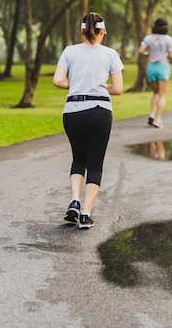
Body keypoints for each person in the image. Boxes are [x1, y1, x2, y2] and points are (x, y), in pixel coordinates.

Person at [52, 12, 124, 229]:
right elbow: (118, 89)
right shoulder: (110, 54)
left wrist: (77, 84)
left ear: (82, 30)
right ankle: (85, 213)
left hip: (72, 111)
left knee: (78, 158)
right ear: (102, 31)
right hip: (100, 111)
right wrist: (100, 87)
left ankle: (74, 200)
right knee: (95, 163)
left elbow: (58, 80)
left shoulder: (69, 51)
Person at [138, 17, 172, 128]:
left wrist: (148, 54)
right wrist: (164, 54)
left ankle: (151, 114)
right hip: (162, 66)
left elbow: (141, 51)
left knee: (155, 93)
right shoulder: (168, 39)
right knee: (163, 94)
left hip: (151, 67)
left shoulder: (148, 38)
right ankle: (158, 120)